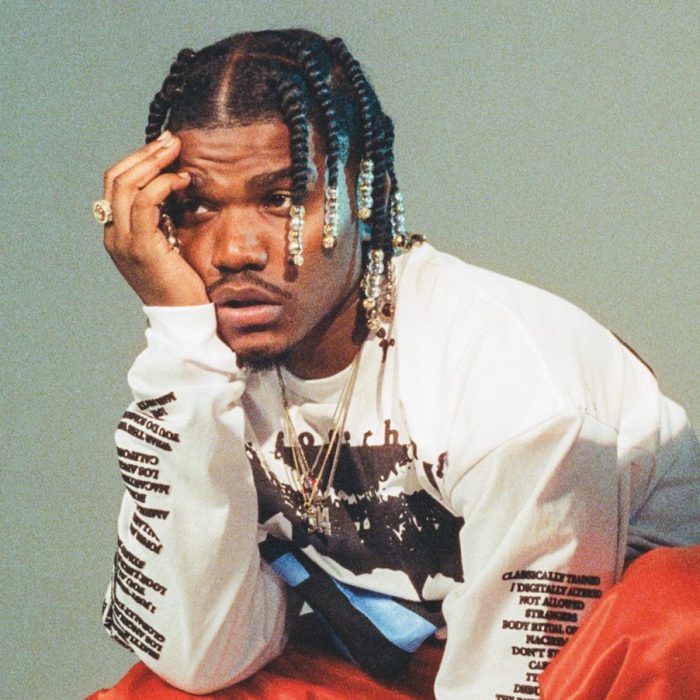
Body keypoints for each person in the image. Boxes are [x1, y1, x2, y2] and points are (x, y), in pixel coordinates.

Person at [94, 29, 700, 698]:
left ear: (367, 193)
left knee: (676, 617)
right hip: (425, 664)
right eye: (197, 207)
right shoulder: (216, 366)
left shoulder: (502, 377)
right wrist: (178, 338)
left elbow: (515, 674)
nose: (235, 249)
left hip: (587, 663)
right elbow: (203, 654)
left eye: (282, 199)